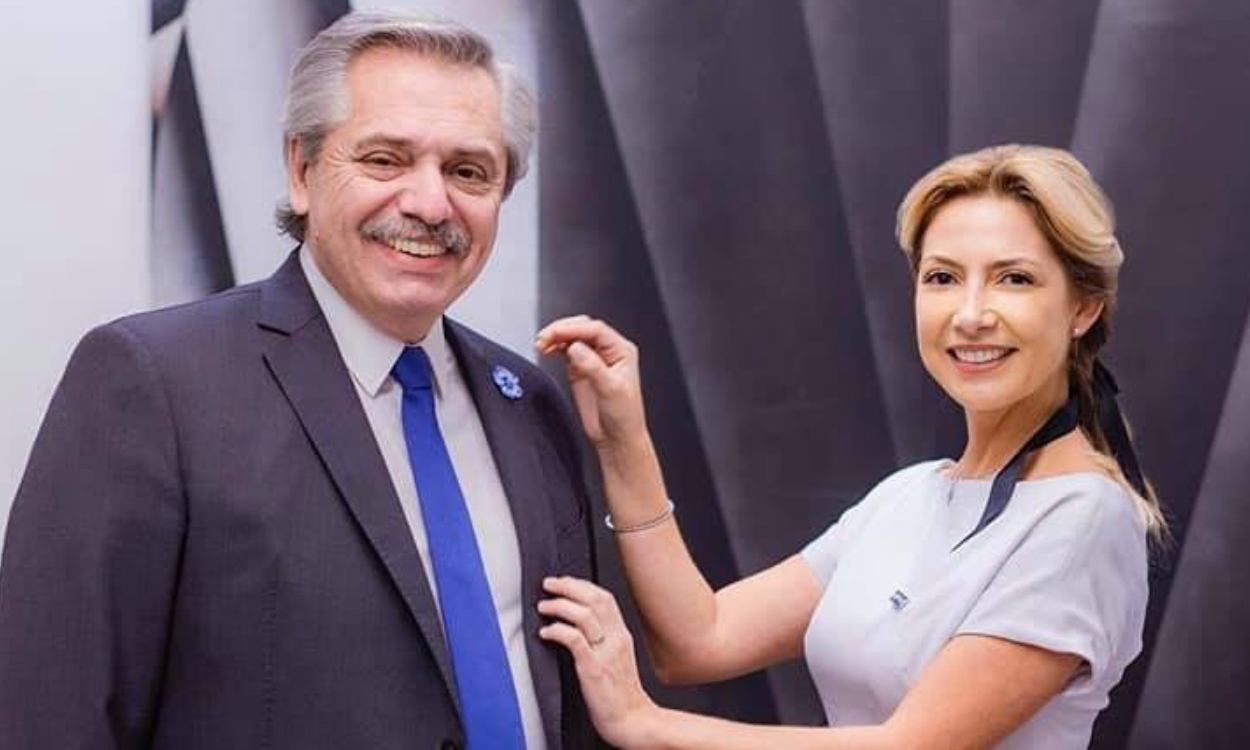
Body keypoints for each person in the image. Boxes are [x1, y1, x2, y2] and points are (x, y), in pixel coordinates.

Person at [0, 11, 599, 750]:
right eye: (385, 159)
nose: (429, 203)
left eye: (468, 171)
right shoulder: (154, 384)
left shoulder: (529, 404)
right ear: (302, 170)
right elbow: (52, 712)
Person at [534, 145, 1164, 750]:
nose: (971, 314)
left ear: (1083, 308)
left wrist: (645, 724)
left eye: (1014, 279)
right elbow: (700, 641)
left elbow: (909, 746)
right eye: (943, 277)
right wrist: (622, 440)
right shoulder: (909, 495)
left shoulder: (1085, 518)